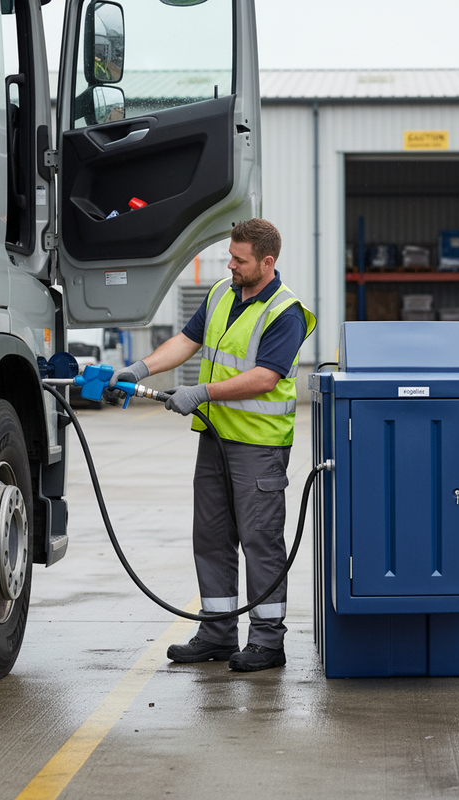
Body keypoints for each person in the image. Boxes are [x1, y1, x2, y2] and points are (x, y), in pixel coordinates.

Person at [109, 219, 316, 672]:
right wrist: (140, 369)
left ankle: (267, 641)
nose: (231, 265)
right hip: (215, 440)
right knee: (212, 537)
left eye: (240, 260)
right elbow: (187, 341)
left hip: (258, 447)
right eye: (231, 256)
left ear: (267, 261)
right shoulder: (223, 292)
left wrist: (202, 393)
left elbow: (265, 377)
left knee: (260, 541)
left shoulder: (286, 311)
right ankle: (218, 632)